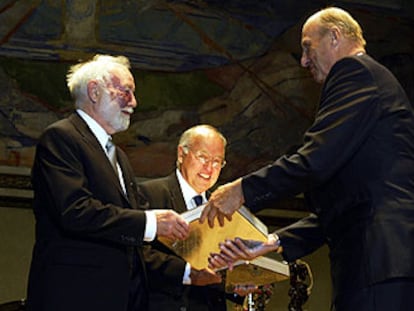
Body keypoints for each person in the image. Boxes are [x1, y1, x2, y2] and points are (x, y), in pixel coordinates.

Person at [201, 7, 414, 311]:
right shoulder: (370, 80)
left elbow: (314, 160)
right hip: (379, 263)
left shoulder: (354, 73)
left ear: (335, 37)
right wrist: (271, 243)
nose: (302, 61)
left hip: (378, 257)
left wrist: (242, 190)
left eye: (307, 47)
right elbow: (345, 202)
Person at [26, 54, 190, 311]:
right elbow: (75, 211)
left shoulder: (118, 155)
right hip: (76, 297)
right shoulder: (61, 138)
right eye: (126, 91)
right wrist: (150, 222)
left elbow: (133, 219)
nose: (134, 102)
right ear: (94, 91)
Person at [140, 124, 248, 311]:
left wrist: (236, 285)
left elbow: (215, 272)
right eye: (203, 157)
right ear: (181, 155)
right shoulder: (150, 194)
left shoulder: (222, 207)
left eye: (217, 161)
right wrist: (186, 273)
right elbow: (137, 255)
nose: (209, 168)